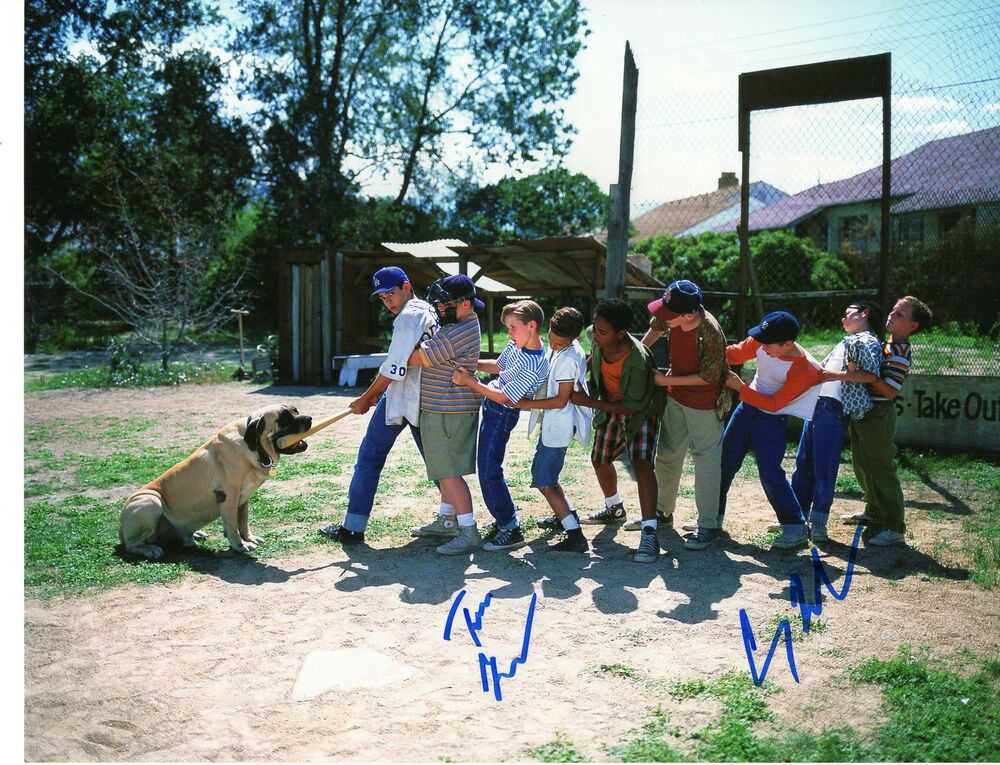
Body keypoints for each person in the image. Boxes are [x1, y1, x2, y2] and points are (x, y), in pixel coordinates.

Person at [318, 266, 442, 545]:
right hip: (423, 397)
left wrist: (366, 397)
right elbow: (397, 364)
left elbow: (394, 366)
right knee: (437, 464)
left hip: (406, 398)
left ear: (407, 286)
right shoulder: (427, 310)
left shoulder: (409, 315)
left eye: (391, 293)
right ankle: (457, 518)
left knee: (370, 459)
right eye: (383, 298)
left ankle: (352, 528)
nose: (388, 302)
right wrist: (377, 391)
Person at [824, 295, 932, 546]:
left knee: (881, 467)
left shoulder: (900, 352)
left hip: (878, 414)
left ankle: (894, 526)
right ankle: (873, 511)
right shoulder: (884, 344)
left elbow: (891, 391)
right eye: (893, 310)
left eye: (900, 315)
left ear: (912, 326)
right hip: (864, 411)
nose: (891, 315)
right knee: (862, 463)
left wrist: (869, 377)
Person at [571, 298, 665, 563]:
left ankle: (649, 532)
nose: (596, 335)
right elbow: (593, 355)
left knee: (641, 463)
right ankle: (614, 508)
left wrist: (587, 401)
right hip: (611, 404)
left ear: (621, 334)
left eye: (603, 332)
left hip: (639, 410)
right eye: (595, 329)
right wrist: (579, 370)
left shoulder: (637, 358)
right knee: (600, 459)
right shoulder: (597, 336)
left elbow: (631, 408)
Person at [451, 300, 549, 551]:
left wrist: (469, 381)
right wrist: (470, 365)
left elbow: (505, 397)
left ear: (532, 326)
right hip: (494, 408)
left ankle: (510, 526)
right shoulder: (518, 345)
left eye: (513, 327)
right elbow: (498, 366)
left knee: (489, 469)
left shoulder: (534, 362)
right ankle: (503, 519)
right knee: (486, 466)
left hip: (502, 413)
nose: (509, 333)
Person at [721, 310, 822, 550]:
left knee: (770, 472)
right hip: (746, 410)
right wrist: (709, 352)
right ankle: (710, 521)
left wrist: (740, 388)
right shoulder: (764, 339)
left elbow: (775, 403)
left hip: (772, 418)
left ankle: (795, 528)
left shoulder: (804, 369)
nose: (761, 347)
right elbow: (735, 352)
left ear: (788, 344)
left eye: (768, 345)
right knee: (724, 462)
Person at [642, 279, 731, 551]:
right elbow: (653, 331)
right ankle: (662, 512)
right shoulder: (671, 316)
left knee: (706, 460)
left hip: (704, 402)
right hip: (675, 396)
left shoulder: (711, 333)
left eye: (669, 314)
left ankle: (708, 526)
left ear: (689, 315)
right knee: (667, 453)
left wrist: (663, 381)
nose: (663, 317)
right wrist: (639, 356)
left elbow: (709, 378)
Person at [790, 300, 884, 543]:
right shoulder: (847, 341)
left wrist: (832, 375)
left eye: (848, 314)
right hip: (817, 404)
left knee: (824, 466)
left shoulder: (868, 341)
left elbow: (871, 374)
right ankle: (795, 518)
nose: (843, 319)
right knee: (803, 463)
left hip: (834, 408)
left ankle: (818, 522)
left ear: (865, 313)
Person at [406, 274, 485, 555]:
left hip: (448, 409)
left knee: (449, 472)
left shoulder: (458, 331)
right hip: (442, 407)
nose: (439, 308)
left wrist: (400, 345)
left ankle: (468, 531)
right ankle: (447, 520)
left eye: (444, 303)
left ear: (465, 304)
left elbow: (417, 357)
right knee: (443, 467)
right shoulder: (458, 323)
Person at [514, 307, 593, 553]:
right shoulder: (565, 349)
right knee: (547, 477)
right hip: (553, 424)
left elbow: (561, 400)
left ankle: (575, 534)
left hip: (559, 424)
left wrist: (525, 403)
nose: (554, 346)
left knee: (545, 481)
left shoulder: (570, 357)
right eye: (552, 340)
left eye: (559, 344)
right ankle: (565, 516)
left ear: (574, 338)